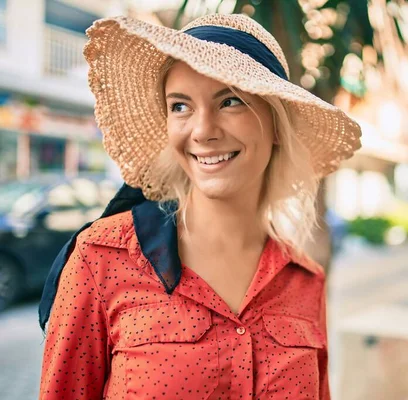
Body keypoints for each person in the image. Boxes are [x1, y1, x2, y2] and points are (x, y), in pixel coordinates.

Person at [37, 13, 361, 400]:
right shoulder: (100, 258)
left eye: (230, 101)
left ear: (276, 124)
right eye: (180, 106)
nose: (203, 130)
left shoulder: (304, 281)